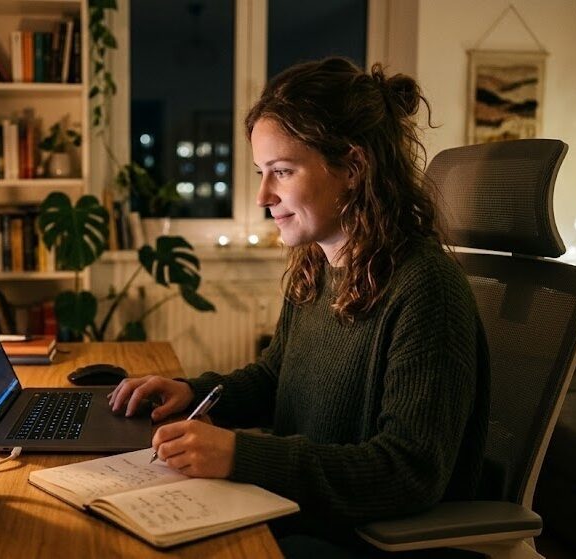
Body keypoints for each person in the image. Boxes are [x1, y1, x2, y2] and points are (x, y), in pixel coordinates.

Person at [108, 57, 490, 557]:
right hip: (295, 511)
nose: (263, 196)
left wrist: (242, 456)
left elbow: (408, 471)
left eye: (282, 172)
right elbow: (275, 378)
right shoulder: (316, 267)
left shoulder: (426, 289)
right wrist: (192, 392)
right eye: (261, 173)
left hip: (359, 541)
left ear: (353, 168)